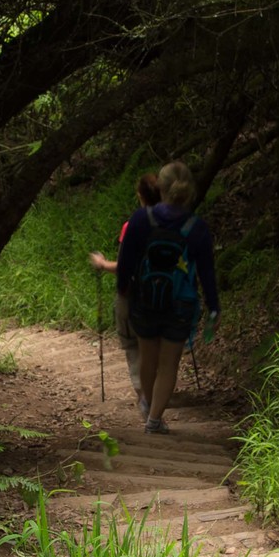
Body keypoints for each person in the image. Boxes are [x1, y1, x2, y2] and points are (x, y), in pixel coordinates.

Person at [116, 159, 220, 434]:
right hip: (181, 301)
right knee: (169, 363)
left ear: (159, 187)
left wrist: (123, 290)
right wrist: (213, 307)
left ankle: (150, 409)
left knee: (148, 358)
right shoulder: (196, 227)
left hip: (145, 299)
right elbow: (207, 272)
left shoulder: (141, 219)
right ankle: (154, 420)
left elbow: (126, 261)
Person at [90, 173, 163, 412]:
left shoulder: (132, 226)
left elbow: (124, 266)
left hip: (132, 294)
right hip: (162, 293)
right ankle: (159, 392)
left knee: (132, 344)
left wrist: (101, 264)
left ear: (140, 195)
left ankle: (144, 396)